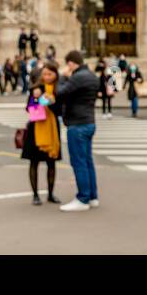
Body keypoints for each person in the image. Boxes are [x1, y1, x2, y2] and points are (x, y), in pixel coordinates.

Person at [57, 50, 100, 212]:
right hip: (89, 121)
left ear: (70, 63)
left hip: (77, 124)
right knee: (87, 161)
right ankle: (92, 196)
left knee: (79, 162)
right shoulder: (91, 76)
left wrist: (62, 76)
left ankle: (83, 198)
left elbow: (60, 92)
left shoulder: (77, 77)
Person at [22, 61, 62, 205]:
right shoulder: (36, 88)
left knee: (51, 163)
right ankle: (35, 195)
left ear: (56, 75)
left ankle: (51, 194)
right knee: (34, 162)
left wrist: (51, 102)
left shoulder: (59, 89)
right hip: (36, 128)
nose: (46, 77)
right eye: (44, 74)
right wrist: (37, 98)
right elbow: (28, 108)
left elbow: (60, 111)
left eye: (50, 74)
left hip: (52, 129)